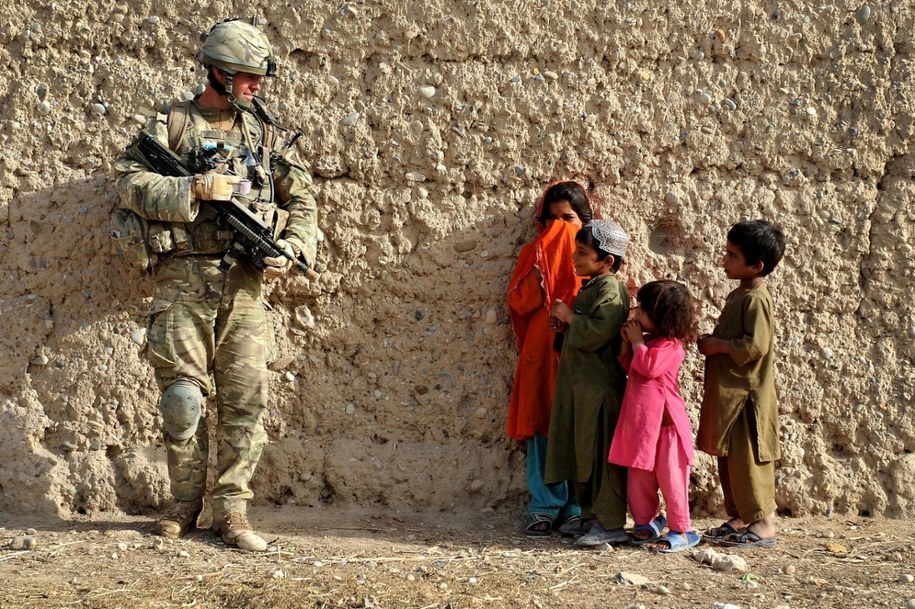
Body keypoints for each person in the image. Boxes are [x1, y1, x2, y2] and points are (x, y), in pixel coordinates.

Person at [114, 19, 319, 552]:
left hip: (246, 284)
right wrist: (193, 187)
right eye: (246, 76)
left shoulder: (264, 132)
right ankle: (184, 506)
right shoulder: (173, 124)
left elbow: (303, 199)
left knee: (244, 402)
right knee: (183, 400)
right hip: (183, 278)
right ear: (218, 73)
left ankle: (233, 511)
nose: (255, 86)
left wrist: (293, 247)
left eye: (258, 77)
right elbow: (130, 182)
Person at [507, 181, 594, 536]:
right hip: (541, 350)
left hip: (578, 348)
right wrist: (542, 266)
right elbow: (520, 303)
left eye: (569, 219)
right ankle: (544, 505)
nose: (560, 228)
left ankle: (575, 505)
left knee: (576, 424)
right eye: (553, 219)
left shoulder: (595, 256)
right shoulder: (533, 252)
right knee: (542, 421)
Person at [697, 220, 786, 549]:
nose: (725, 260)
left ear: (756, 265)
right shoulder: (740, 294)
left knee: (749, 460)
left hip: (747, 398)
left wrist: (720, 346)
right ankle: (740, 517)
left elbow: (755, 346)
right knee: (731, 460)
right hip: (731, 396)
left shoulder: (755, 299)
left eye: (732, 256)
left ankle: (763, 523)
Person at [544, 219, 631, 547]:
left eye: (582, 253)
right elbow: (585, 332)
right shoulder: (593, 287)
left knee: (599, 456)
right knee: (584, 454)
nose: (574, 258)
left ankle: (610, 523)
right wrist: (566, 329)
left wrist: (570, 318)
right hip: (582, 389)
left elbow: (600, 333)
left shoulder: (611, 289)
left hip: (599, 391)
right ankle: (591, 517)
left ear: (607, 260)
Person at [609, 281, 700, 553]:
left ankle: (682, 530)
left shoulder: (672, 346)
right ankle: (646, 521)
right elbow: (630, 366)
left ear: (661, 317)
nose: (637, 313)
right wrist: (628, 344)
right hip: (643, 429)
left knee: (671, 480)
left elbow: (649, 367)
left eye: (644, 310)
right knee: (639, 480)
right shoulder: (649, 343)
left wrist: (637, 342)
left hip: (668, 430)